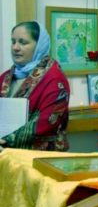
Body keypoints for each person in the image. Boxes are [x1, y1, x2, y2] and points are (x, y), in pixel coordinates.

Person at [0, 21, 70, 151]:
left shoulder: (55, 79)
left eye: (23, 42)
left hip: (42, 156)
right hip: (7, 155)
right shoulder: (5, 77)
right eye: (13, 42)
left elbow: (47, 121)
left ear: (39, 46)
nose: (15, 47)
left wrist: (6, 140)